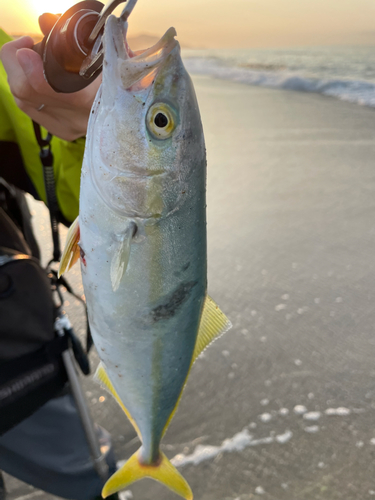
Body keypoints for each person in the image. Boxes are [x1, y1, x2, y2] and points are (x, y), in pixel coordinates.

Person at [0, 13, 119, 500]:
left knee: (92, 480)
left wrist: (93, 129)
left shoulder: (11, 58)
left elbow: (70, 201)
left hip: (11, 333)